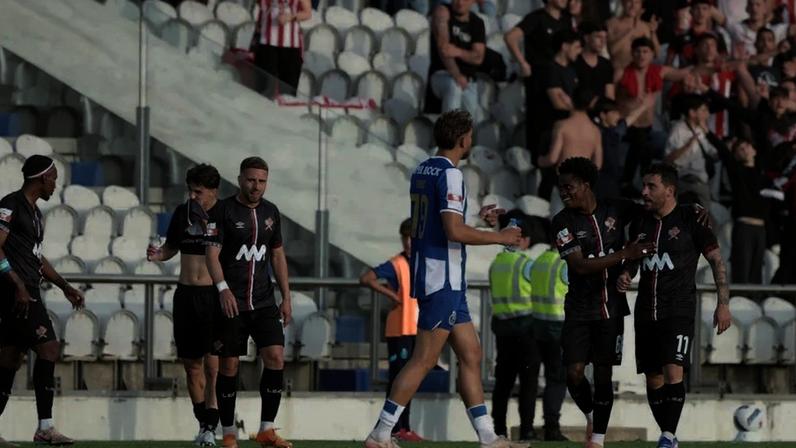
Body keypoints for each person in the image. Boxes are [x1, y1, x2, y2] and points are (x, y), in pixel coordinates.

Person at [364, 109, 524, 448]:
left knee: (471, 354)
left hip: (435, 273)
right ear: (464, 138)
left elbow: (442, 226)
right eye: (470, 136)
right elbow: (452, 230)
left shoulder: (422, 169)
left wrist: (475, 220)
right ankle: (381, 433)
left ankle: (487, 437)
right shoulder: (450, 174)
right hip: (443, 278)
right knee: (423, 359)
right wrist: (501, 237)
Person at [617, 163, 732, 448]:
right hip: (646, 310)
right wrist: (626, 273)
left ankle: (667, 437)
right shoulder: (641, 222)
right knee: (653, 379)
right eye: (643, 185)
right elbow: (634, 258)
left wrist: (723, 304)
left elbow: (716, 260)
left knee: (673, 370)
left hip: (678, 309)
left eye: (651, 186)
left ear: (669, 190)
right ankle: (670, 435)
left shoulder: (692, 218)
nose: (644, 192)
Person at [551, 157, 655, 448]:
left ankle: (597, 441)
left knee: (603, 374)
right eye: (560, 188)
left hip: (612, 308)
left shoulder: (616, 208)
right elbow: (580, 266)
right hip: (579, 308)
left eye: (568, 186)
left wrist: (631, 267)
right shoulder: (562, 222)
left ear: (585, 185)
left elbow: (649, 216)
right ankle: (592, 415)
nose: (563, 192)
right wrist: (627, 254)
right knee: (573, 374)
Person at [205, 157, 293, 448]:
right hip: (232, 303)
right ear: (240, 179)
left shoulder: (271, 212)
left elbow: (277, 255)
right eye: (251, 180)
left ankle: (267, 429)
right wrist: (222, 289)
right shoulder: (223, 210)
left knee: (276, 357)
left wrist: (286, 296)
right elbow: (212, 254)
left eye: (262, 181)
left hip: (264, 301)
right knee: (229, 366)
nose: (256, 186)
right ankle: (229, 432)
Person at [0, 155, 85, 445]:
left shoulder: (34, 213)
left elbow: (36, 257)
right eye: (54, 179)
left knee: (9, 358)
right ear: (41, 178)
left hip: (27, 289)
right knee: (48, 348)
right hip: (15, 292)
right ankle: (45, 427)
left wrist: (63, 285)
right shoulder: (10, 205)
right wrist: (16, 284)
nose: (55, 185)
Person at [146, 164, 221, 446]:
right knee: (192, 366)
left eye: (198, 191)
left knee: (214, 366)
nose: (193, 196)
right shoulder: (183, 212)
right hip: (186, 294)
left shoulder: (224, 214)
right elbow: (171, 248)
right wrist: (158, 254)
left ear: (213, 191)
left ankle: (211, 426)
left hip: (212, 295)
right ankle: (203, 424)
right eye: (190, 190)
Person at [359, 219, 422, 443]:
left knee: (409, 379)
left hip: (415, 328)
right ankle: (396, 427)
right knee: (399, 378)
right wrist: (392, 295)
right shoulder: (397, 263)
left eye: (411, 238)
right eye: (404, 238)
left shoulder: (421, 261)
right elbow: (366, 278)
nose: (407, 243)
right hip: (400, 329)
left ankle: (401, 427)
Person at [616, 37, 692, 195]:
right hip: (627, 126)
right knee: (640, 148)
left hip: (648, 127)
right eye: (637, 51)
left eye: (645, 51)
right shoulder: (622, 72)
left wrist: (702, 65)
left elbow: (681, 74)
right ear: (632, 53)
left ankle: (645, 186)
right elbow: (608, 95)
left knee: (648, 150)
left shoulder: (658, 71)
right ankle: (630, 184)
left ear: (652, 54)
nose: (641, 55)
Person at [487, 217, 537, 441]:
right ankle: (526, 429)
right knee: (528, 382)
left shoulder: (496, 263)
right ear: (523, 240)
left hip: (502, 329)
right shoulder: (526, 264)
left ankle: (498, 430)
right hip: (525, 329)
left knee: (503, 383)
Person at [504, 0, 571, 156]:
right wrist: (523, 63)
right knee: (540, 127)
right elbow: (510, 37)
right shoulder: (536, 17)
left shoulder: (566, 19)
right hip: (539, 82)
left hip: (560, 80)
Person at [527, 244, 568, 442]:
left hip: (538, 325)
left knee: (538, 378)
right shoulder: (564, 263)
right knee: (557, 379)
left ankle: (531, 426)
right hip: (558, 327)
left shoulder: (539, 261)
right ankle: (552, 427)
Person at [428, 0, 486, 120]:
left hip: (468, 80)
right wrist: (457, 75)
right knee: (453, 87)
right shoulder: (442, 12)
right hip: (442, 74)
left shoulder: (477, 22)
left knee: (473, 120)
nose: (460, 3)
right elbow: (444, 49)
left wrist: (458, 52)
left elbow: (478, 58)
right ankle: (449, 135)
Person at [664, 94, 718, 208]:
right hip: (682, 181)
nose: (707, 114)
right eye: (703, 110)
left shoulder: (703, 130)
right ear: (692, 112)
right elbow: (668, 159)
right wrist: (687, 145)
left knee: (703, 220)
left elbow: (714, 153)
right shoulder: (678, 129)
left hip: (701, 182)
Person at [251, 0, 312, 97]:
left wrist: (290, 17)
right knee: (263, 89)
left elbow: (308, 13)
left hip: (291, 46)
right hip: (266, 43)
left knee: (287, 91)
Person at [538, 87, 602, 170]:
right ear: (591, 103)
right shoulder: (595, 131)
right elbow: (597, 164)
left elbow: (552, 159)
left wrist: (540, 160)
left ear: (572, 99)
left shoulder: (562, 126)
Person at [607, 0, 661, 72]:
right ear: (623, 2)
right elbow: (612, 51)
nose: (633, 6)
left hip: (641, 75)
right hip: (619, 73)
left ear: (641, 5)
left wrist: (653, 33)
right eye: (629, 1)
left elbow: (657, 54)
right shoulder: (611, 24)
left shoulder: (644, 26)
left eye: (637, 2)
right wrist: (630, 31)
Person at [574, 22, 616, 100]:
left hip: (601, 109)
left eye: (605, 37)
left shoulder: (606, 64)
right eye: (598, 37)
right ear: (586, 38)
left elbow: (609, 95)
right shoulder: (574, 62)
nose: (603, 41)